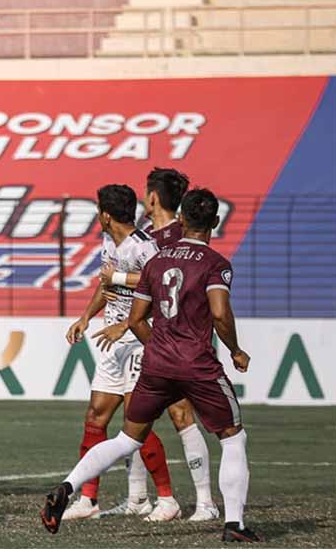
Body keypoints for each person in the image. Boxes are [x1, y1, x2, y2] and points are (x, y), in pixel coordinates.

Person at [41, 188, 261, 543]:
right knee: (233, 437)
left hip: (157, 362)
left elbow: (138, 316)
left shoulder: (158, 262)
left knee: (127, 438)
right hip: (197, 364)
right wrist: (235, 350)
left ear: (183, 221)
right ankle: (234, 524)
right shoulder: (215, 264)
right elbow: (219, 312)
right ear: (215, 223)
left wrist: (158, 347)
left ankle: (68, 486)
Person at [98, 167, 218, 521]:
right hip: (157, 337)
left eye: (145, 194)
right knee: (135, 415)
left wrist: (118, 282)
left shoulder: (180, 236)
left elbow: (165, 279)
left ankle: (206, 503)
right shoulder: (149, 236)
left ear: (152, 197)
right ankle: (138, 498)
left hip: (183, 337)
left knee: (182, 414)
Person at [62, 185, 180, 522]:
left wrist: (126, 325)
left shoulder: (144, 247)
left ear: (106, 215)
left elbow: (163, 292)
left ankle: (168, 499)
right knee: (95, 417)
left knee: (135, 422)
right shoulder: (109, 243)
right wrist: (85, 317)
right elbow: (107, 284)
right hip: (112, 339)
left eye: (98, 210)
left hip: (140, 340)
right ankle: (88, 500)